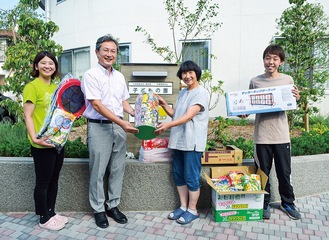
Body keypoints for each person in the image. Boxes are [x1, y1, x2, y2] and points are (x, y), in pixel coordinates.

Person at [81, 34, 139, 228]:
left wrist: (138, 114)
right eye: (105, 50)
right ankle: (98, 210)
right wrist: (122, 123)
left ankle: (113, 206)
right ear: (97, 52)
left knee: (117, 169)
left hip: (119, 127)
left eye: (113, 51)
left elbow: (123, 102)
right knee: (97, 171)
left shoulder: (120, 76)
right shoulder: (90, 75)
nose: (109, 54)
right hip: (99, 127)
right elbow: (96, 105)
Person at [240, 44, 301, 220]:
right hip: (262, 136)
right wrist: (243, 111)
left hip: (281, 135)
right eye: (268, 58)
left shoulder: (288, 80)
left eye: (275, 58)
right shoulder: (255, 81)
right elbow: (248, 105)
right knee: (262, 173)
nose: (271, 62)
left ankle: (288, 203)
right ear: (264, 60)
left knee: (284, 172)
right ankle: (263, 203)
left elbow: (292, 104)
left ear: (281, 61)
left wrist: (296, 98)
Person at [154, 60, 209, 225]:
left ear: (197, 73)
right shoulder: (183, 92)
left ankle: (193, 210)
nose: (187, 76)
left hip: (192, 142)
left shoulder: (201, 93)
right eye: (184, 73)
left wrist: (168, 125)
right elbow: (177, 115)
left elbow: (188, 116)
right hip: (178, 141)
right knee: (178, 175)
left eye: (190, 72)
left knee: (191, 177)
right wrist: (164, 105)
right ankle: (183, 207)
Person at [23, 51, 68, 231]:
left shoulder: (57, 87)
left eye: (51, 63)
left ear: (55, 67)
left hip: (57, 142)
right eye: (43, 63)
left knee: (54, 179)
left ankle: (51, 211)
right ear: (36, 66)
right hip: (41, 143)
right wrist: (35, 138)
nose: (47, 66)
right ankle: (43, 217)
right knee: (43, 181)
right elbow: (28, 115)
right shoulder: (32, 87)